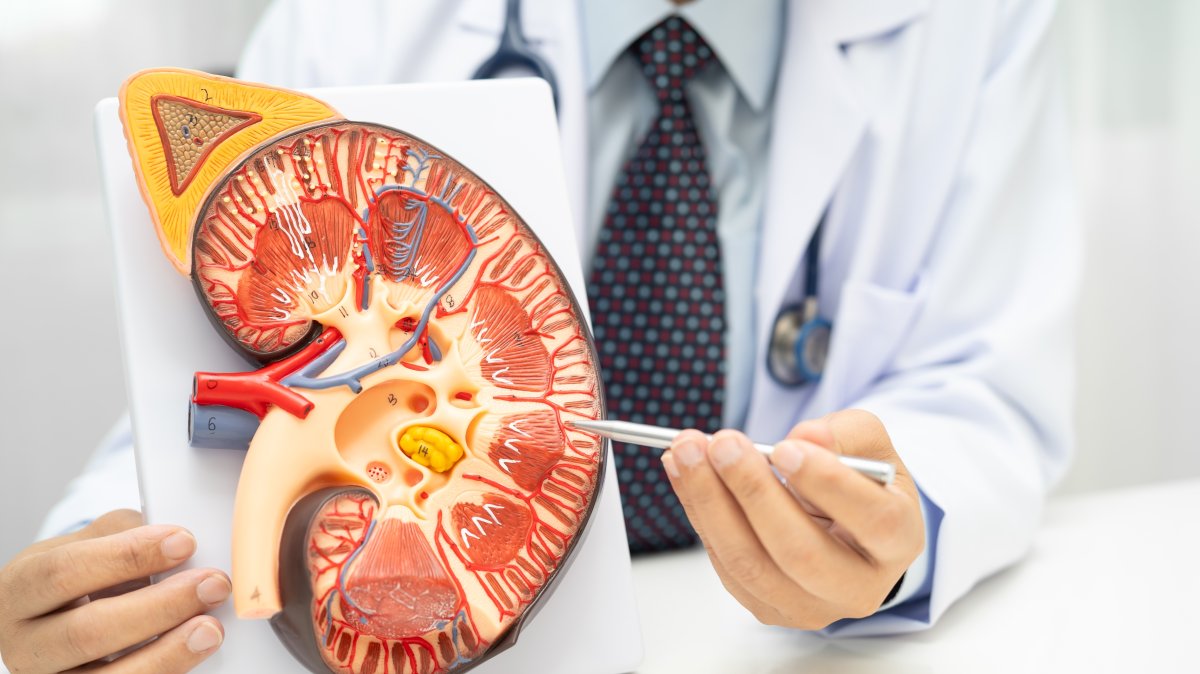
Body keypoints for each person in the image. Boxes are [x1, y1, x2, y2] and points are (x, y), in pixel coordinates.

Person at [0, 0, 1078, 671]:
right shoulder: (355, 14)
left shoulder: (977, 18)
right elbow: (202, 367)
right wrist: (105, 580)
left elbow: (987, 379)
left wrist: (900, 526)